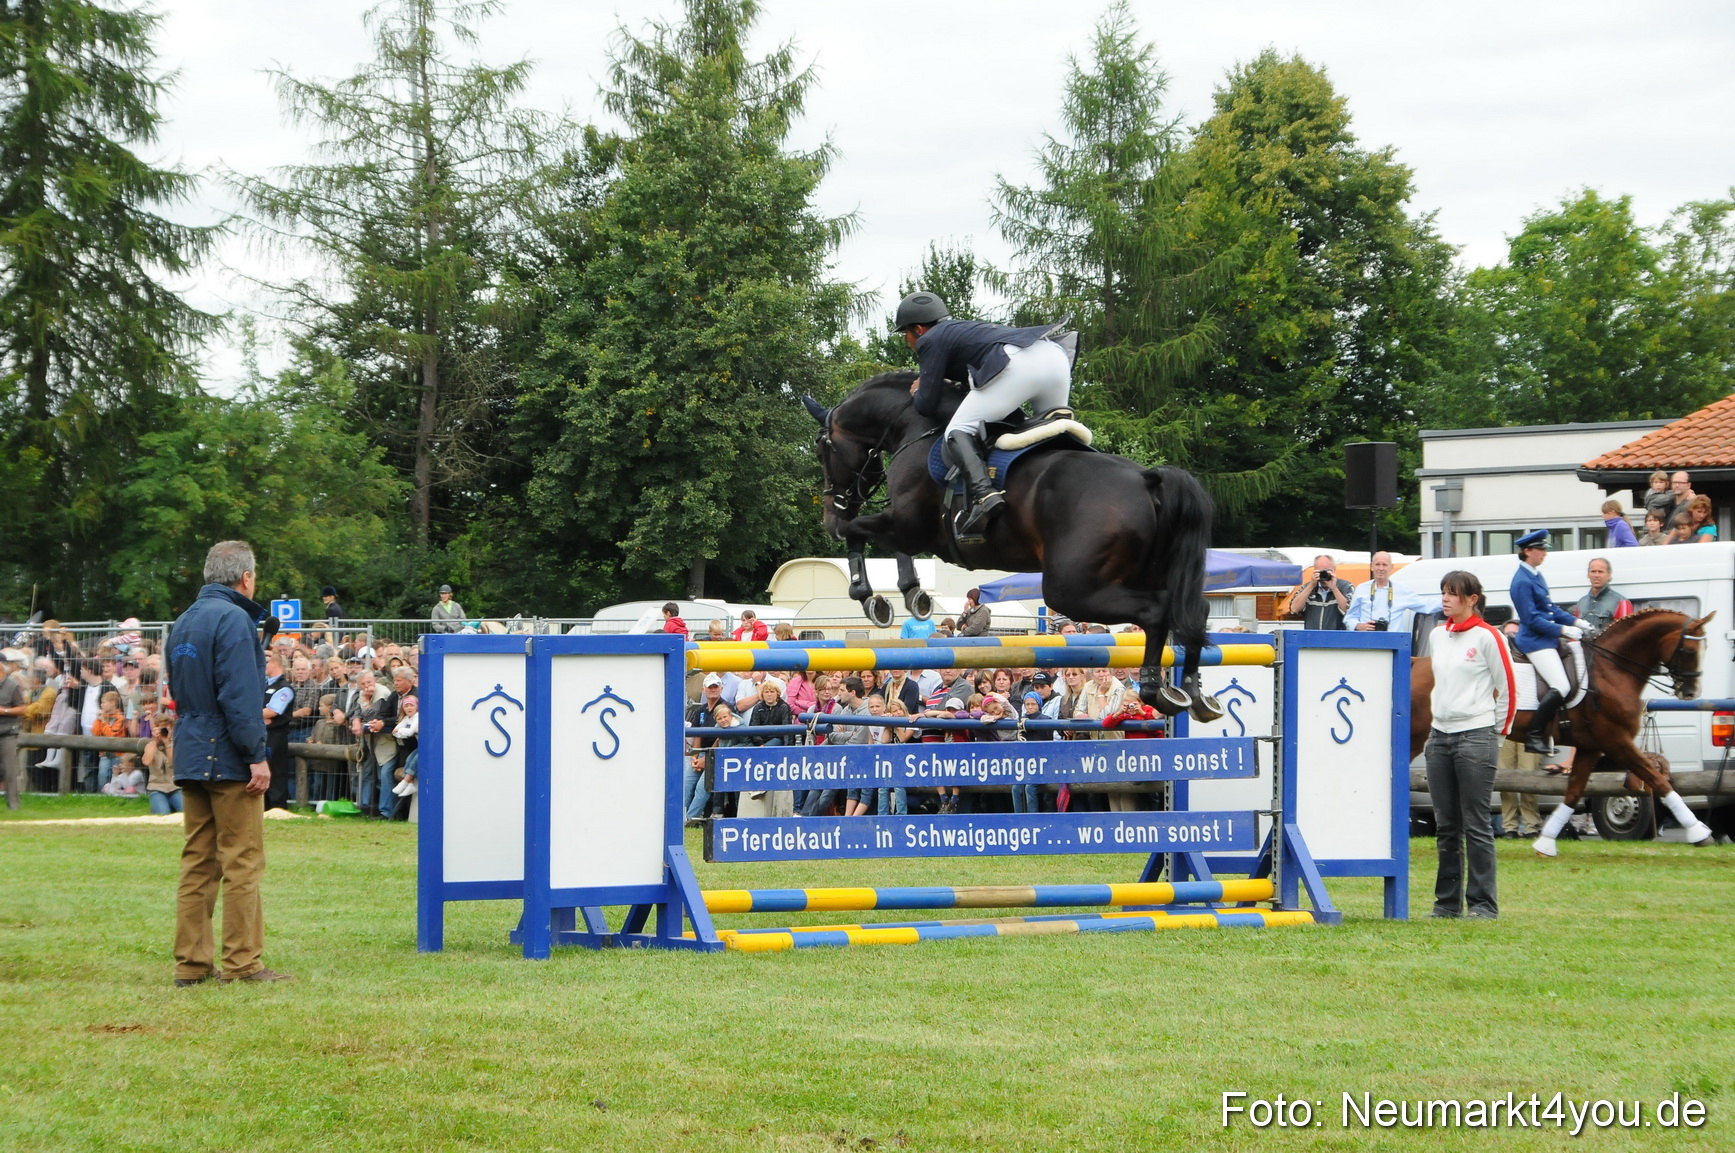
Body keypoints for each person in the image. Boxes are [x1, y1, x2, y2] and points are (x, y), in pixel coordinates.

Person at [167, 540, 291, 985]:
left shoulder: (184, 621)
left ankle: (191, 964)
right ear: (246, 577)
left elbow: (179, 691)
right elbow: (240, 697)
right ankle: (243, 964)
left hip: (190, 748)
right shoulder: (235, 619)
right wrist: (256, 756)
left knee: (198, 862)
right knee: (242, 861)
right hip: (228, 755)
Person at [896, 290, 1079, 541]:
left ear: (919, 329)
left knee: (958, 431)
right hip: (1054, 356)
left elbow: (926, 406)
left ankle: (985, 495)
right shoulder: (963, 330)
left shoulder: (930, 339)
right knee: (1051, 431)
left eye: (905, 333)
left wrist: (919, 391)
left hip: (1021, 364)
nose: (906, 340)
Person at [1423, 570, 1513, 918]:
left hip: (1476, 735)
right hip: (1439, 736)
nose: (1445, 598)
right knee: (1446, 825)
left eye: (1453, 593)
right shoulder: (1437, 635)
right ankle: (1446, 904)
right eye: (1443, 592)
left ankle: (1482, 904)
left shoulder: (1489, 636)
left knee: (1476, 824)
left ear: (1472, 599)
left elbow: (1508, 688)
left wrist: (1496, 734)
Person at [1510, 530, 1583, 756]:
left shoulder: (1535, 575)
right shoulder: (1521, 581)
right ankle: (1534, 735)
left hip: (1546, 638)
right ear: (1527, 551)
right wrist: (1563, 630)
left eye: (1544, 549)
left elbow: (1550, 609)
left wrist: (1577, 621)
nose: (1545, 553)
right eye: (1540, 549)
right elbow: (1531, 619)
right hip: (1534, 641)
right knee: (1562, 686)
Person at [1343, 551, 1437, 635]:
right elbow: (1349, 617)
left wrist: (1445, 603)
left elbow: (1426, 605)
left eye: (1384, 565)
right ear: (1372, 566)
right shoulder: (1361, 589)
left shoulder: (1401, 590)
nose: (1381, 568)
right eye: (1377, 564)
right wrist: (1358, 626)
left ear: (1391, 567)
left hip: (1394, 642)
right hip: (1367, 642)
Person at [1286, 555, 1353, 631]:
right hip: (1313, 636)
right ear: (1314, 571)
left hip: (1337, 636)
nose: (1324, 574)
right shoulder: (1307, 587)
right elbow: (1294, 609)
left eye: (1327, 570)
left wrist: (1334, 588)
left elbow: (1349, 611)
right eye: (1320, 572)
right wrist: (1311, 586)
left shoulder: (1346, 586)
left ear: (1334, 570)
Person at [0, 649, 28, 799]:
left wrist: (4, 711)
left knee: (9, 770)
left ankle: (13, 803)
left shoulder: (12, 686)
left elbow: (23, 708)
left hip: (7, 733)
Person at [1575, 558, 1630, 632]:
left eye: (1600, 572)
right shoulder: (1581, 602)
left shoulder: (1621, 602)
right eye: (1593, 571)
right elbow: (1575, 631)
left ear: (1609, 575)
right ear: (1588, 574)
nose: (1596, 575)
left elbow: (1625, 633)